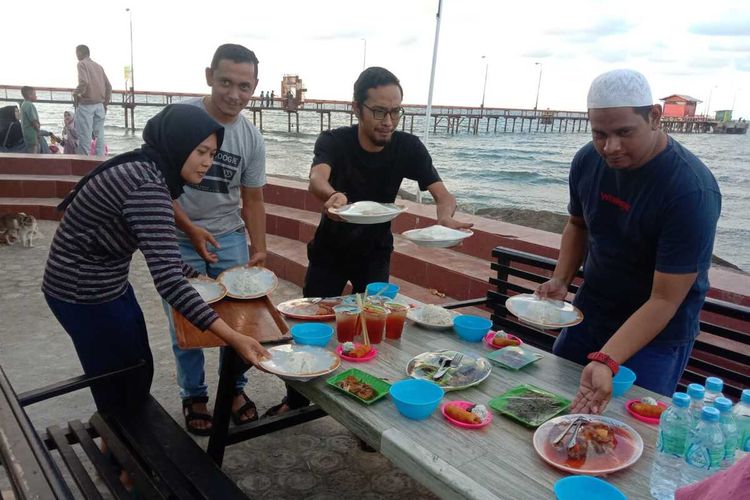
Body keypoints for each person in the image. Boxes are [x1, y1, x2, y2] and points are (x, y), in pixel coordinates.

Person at [263, 67, 472, 417]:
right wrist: (331, 197)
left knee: (373, 332)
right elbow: (317, 177)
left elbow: (442, 193)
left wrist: (446, 218)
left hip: (374, 254)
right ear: (357, 109)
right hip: (329, 251)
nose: (388, 121)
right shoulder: (334, 141)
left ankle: (366, 402)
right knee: (309, 326)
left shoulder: (407, 147)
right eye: (379, 111)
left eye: (395, 111)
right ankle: (297, 399)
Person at [42, 104, 269, 416]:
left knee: (138, 366)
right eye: (201, 152)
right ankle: (118, 459)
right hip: (81, 293)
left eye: (213, 154)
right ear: (178, 142)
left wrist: (204, 280)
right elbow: (168, 281)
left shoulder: (147, 168)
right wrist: (233, 337)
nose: (207, 163)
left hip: (110, 282)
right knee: (119, 380)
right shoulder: (146, 185)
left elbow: (167, 259)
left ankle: (122, 448)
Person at [536, 69, 721, 413]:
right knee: (552, 406)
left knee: (626, 427)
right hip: (589, 312)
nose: (611, 147)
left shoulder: (690, 190)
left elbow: (665, 299)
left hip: (657, 333)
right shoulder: (587, 161)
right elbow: (578, 224)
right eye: (599, 134)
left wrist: (609, 358)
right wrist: (561, 278)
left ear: (654, 116)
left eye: (624, 132)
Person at [162, 43, 269, 435]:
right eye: (225, 82)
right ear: (209, 76)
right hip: (178, 233)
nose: (234, 94)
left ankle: (234, 389)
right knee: (186, 320)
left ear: (255, 87)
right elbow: (156, 183)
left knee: (242, 316)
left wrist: (259, 247)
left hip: (228, 236)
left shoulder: (251, 138)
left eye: (244, 86)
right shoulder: (180, 119)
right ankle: (194, 394)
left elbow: (253, 198)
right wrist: (189, 227)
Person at [72, 44, 111, 156]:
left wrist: (76, 93)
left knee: (85, 136)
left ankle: (84, 165)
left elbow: (84, 82)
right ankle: (100, 160)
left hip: (87, 104)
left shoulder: (81, 64)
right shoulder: (99, 66)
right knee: (100, 136)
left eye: (76, 53)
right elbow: (109, 86)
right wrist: (105, 104)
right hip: (100, 104)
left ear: (80, 52)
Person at [20, 86, 40, 153]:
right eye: (35, 94)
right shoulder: (29, 105)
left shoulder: (23, 104)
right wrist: (38, 130)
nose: (36, 96)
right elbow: (33, 121)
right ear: (30, 95)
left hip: (27, 135)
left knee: (30, 152)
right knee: (34, 153)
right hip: (32, 136)